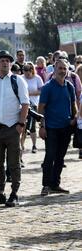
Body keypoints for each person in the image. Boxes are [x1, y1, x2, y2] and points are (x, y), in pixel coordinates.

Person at [0, 50, 30, 208]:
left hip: (13, 128)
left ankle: (14, 193)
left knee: (13, 164)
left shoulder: (18, 80)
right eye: (2, 60)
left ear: (11, 63)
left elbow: (25, 103)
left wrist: (21, 125)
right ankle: (0, 193)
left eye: (7, 60)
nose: (5, 63)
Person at [38, 59, 78, 196]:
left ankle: (55, 184)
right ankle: (46, 185)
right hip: (51, 128)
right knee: (50, 156)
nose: (62, 70)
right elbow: (41, 109)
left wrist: (75, 119)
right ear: (54, 70)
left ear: (67, 70)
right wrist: (42, 126)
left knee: (60, 157)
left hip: (66, 127)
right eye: (59, 68)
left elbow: (73, 105)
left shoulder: (69, 87)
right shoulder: (47, 87)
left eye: (64, 68)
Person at [21, 62, 43, 154]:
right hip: (23, 104)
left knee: (32, 126)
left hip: (33, 104)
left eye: (28, 70)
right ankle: (22, 145)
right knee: (24, 126)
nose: (26, 72)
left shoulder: (37, 78)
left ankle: (34, 145)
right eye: (24, 70)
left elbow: (41, 90)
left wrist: (29, 94)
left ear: (32, 70)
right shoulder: (21, 78)